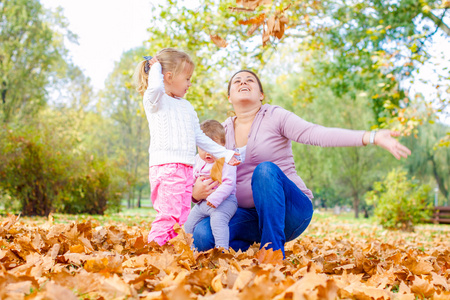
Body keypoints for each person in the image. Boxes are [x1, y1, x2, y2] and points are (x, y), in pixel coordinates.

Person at [191, 70, 411, 257]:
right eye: (237, 81)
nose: (243, 82)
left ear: (261, 94)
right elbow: (199, 168)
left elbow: (317, 134)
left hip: (290, 210)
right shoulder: (219, 131)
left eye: (249, 80)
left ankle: (272, 253)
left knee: (265, 171)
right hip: (246, 215)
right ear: (229, 96)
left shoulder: (274, 116)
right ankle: (247, 249)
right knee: (202, 235)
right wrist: (195, 193)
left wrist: (370, 137)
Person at [133, 48, 240, 246]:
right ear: (169, 76)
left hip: (186, 168)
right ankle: (153, 253)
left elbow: (200, 137)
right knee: (168, 216)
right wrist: (155, 68)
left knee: (182, 217)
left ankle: (173, 255)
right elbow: (156, 88)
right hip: (166, 168)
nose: (190, 84)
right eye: (187, 78)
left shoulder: (187, 107)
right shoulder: (155, 100)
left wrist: (225, 153)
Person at [184, 120, 238, 249]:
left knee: (218, 221)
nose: (207, 152)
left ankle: (222, 250)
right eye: (203, 147)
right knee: (188, 224)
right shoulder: (197, 160)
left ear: (223, 145)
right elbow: (191, 177)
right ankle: (191, 251)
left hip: (225, 202)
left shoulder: (226, 160)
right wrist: (192, 190)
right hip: (202, 203)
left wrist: (215, 198)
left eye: (212, 147)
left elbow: (229, 183)